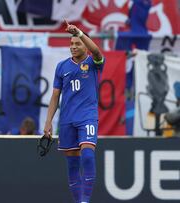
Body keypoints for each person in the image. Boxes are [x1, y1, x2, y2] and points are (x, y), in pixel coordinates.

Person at [43, 20, 105, 203]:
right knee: (72, 163)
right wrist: (48, 122)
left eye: (77, 43)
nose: (73, 46)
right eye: (71, 44)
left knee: (87, 154)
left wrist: (79, 32)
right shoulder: (62, 66)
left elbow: (97, 51)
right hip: (67, 119)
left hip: (87, 117)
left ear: (84, 45)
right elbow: (55, 96)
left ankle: (85, 200)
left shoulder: (93, 62)